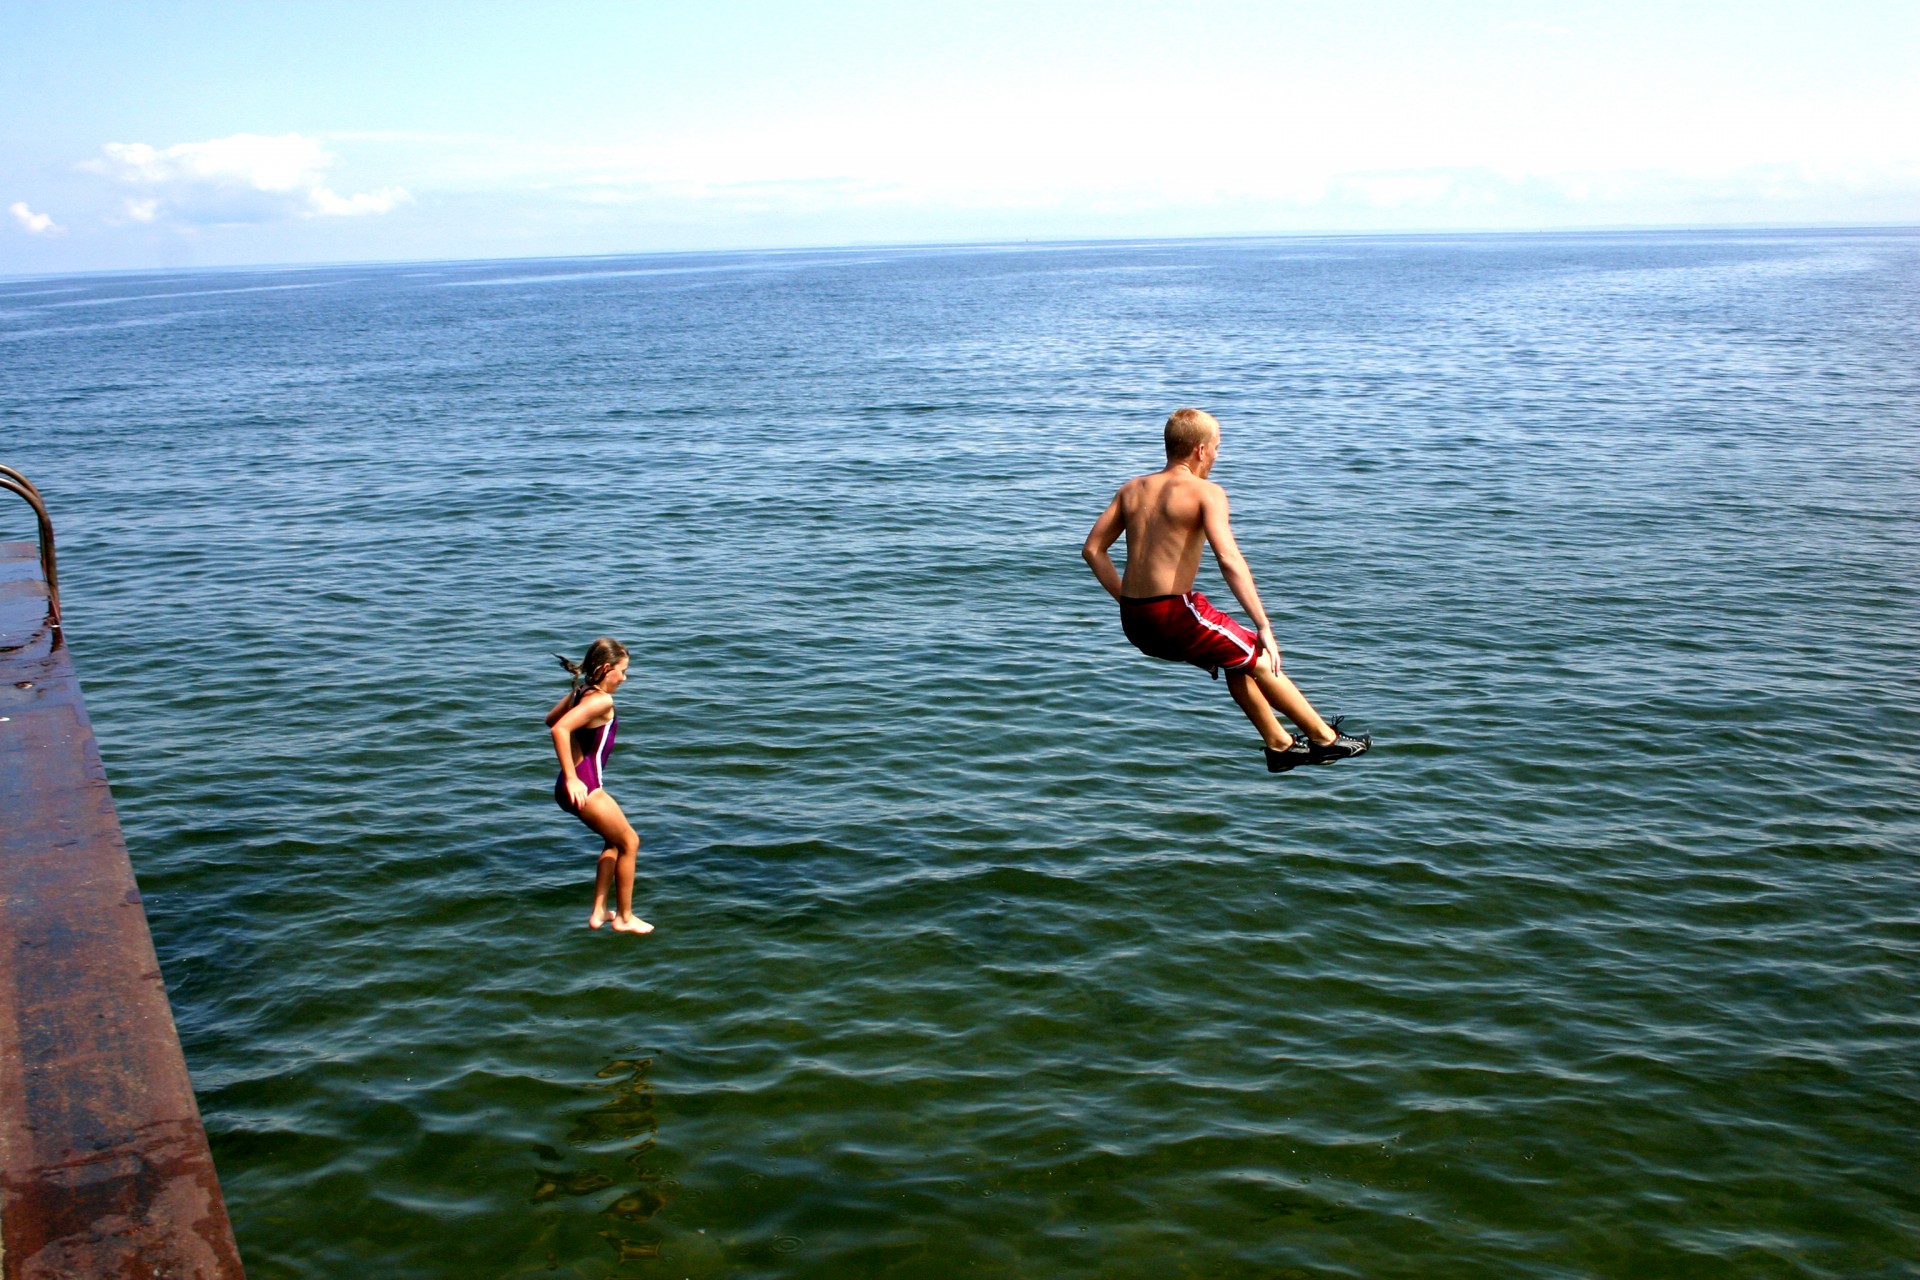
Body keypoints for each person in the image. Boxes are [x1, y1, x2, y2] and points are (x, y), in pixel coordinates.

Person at [1082, 408, 1372, 774]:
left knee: (1238, 660)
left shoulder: (1132, 489)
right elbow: (1229, 558)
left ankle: (1281, 746)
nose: (1218, 456)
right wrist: (1264, 624)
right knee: (1262, 658)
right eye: (1217, 448)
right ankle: (1326, 739)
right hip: (1174, 614)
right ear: (1201, 450)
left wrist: (1126, 598)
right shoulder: (1207, 492)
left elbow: (1092, 550)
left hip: (1135, 620)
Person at [546, 637, 652, 933]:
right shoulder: (602, 700)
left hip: (576, 786)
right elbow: (559, 728)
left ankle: (600, 911)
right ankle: (625, 917)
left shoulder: (579, 693)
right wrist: (572, 777)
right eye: (622, 671)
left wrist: (571, 772)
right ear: (607, 668)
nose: (625, 678)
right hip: (586, 787)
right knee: (630, 842)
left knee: (614, 840)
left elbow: (550, 718)